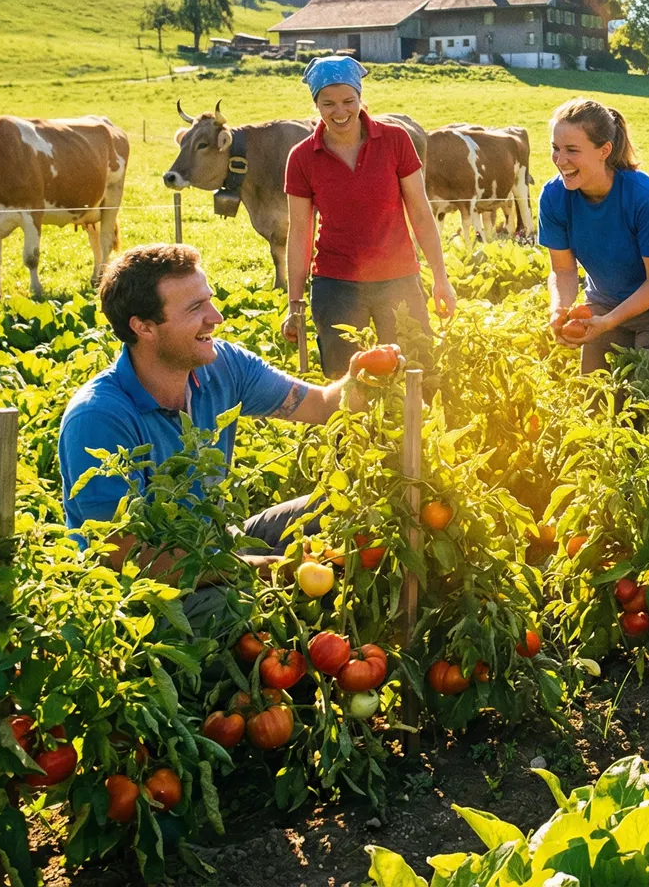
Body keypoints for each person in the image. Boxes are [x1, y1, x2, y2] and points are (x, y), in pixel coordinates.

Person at [58, 244, 396, 574]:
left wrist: (361, 378)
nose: (216, 318)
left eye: (210, 300)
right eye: (195, 308)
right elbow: (126, 554)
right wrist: (262, 570)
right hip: (147, 591)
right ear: (143, 326)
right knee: (235, 611)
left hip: (218, 546)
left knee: (341, 510)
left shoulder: (224, 365)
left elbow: (322, 405)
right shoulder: (98, 418)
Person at [283, 56, 455, 376]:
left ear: (361, 98)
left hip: (398, 279)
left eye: (349, 100)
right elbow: (299, 233)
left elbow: (419, 212)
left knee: (417, 373)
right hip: (336, 285)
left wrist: (440, 278)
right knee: (346, 382)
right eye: (328, 103)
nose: (340, 111)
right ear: (316, 104)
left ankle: (413, 428)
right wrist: (295, 305)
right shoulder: (302, 158)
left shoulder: (395, 140)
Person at [540, 98, 649, 372]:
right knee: (595, 399)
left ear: (604, 150)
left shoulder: (645, 197)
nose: (560, 160)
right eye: (556, 149)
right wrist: (559, 309)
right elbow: (563, 270)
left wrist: (609, 321)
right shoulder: (554, 196)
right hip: (604, 302)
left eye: (572, 150)